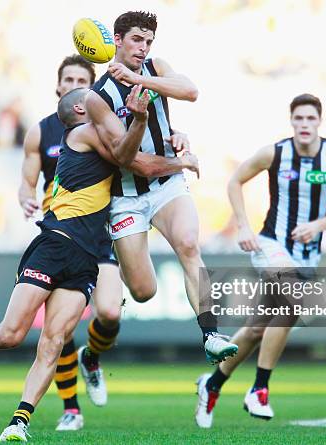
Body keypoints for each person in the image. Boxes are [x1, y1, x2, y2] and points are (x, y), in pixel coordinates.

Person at [0, 85, 153, 442]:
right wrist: (152, 130)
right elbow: (130, 155)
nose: (100, 101)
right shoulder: (84, 133)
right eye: (91, 97)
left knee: (53, 342)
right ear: (81, 108)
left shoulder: (103, 131)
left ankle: (19, 421)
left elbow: (134, 150)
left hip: (86, 259)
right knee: (9, 335)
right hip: (55, 244)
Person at [19, 55, 199, 431]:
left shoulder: (105, 125)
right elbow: (27, 178)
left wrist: (175, 141)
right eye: (67, 79)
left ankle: (93, 358)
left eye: (81, 80)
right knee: (59, 328)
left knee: (111, 313)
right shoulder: (42, 132)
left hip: (100, 232)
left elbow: (139, 152)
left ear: (93, 89)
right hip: (60, 232)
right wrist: (26, 195)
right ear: (59, 88)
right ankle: (70, 407)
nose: (74, 85)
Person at [195, 93, 326, 428]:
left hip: (307, 254)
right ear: (291, 121)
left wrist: (319, 225)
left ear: (319, 122)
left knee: (256, 329)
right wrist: (242, 225)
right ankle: (260, 389)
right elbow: (235, 181)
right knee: (294, 302)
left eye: (310, 119)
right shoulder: (276, 152)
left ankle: (211, 385)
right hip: (270, 244)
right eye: (298, 119)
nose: (304, 125)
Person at [86, 10, 237, 364]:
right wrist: (180, 159)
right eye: (137, 40)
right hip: (126, 198)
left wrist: (141, 80)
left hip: (167, 185)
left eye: (149, 41)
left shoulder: (155, 68)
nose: (143, 48)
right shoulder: (99, 96)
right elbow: (130, 161)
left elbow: (190, 91)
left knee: (188, 243)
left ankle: (211, 334)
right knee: (142, 292)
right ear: (118, 39)